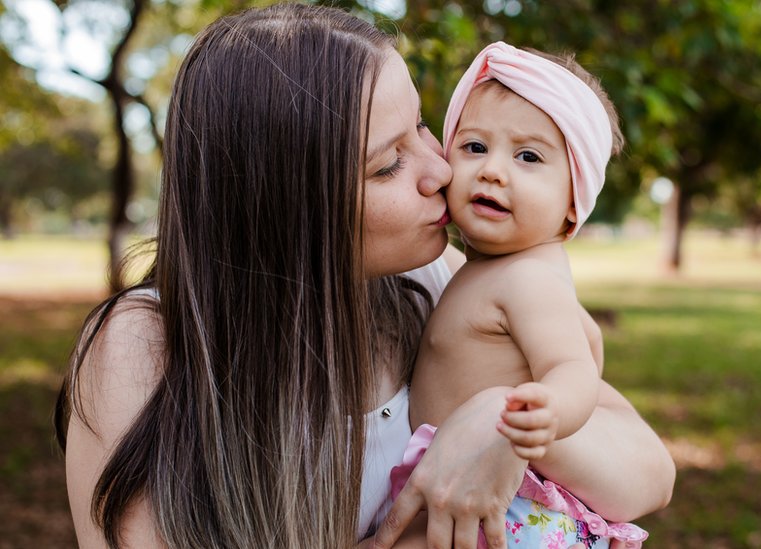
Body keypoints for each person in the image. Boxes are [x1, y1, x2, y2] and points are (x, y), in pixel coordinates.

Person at [54, 5, 675, 549]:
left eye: (426, 127)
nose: (441, 169)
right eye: (388, 165)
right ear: (285, 201)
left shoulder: (433, 281)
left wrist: (494, 423)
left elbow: (650, 471)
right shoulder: (145, 344)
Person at [391, 42, 646, 548]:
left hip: (508, 508)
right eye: (474, 147)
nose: (492, 170)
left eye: (528, 156)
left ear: (575, 203)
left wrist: (544, 410)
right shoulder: (486, 268)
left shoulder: (529, 279)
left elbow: (574, 368)